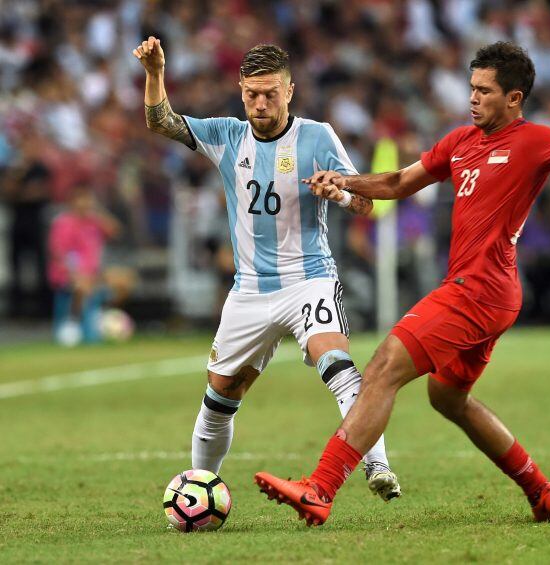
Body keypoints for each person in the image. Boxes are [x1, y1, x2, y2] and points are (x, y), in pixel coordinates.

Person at [254, 41, 550, 526]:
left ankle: (319, 488)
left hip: (479, 289)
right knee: (447, 398)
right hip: (485, 291)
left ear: (514, 98)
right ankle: (542, 491)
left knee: (382, 369)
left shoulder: (535, 142)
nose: (473, 98)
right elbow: (399, 182)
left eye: (484, 90)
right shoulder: (460, 141)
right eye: (471, 88)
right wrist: (347, 182)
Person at [132, 37, 401, 500]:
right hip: (249, 292)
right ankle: (199, 488)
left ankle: (378, 467)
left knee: (335, 363)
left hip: (308, 280)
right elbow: (162, 122)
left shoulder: (318, 137)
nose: (260, 103)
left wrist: (337, 189)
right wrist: (155, 73)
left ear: (290, 91)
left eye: (270, 93)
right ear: (240, 90)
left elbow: (363, 204)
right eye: (252, 93)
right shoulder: (226, 136)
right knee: (220, 398)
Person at [48, 186, 121, 345]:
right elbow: (60, 254)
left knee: (123, 281)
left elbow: (116, 230)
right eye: (82, 199)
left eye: (89, 200)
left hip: (93, 273)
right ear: (72, 202)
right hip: (67, 274)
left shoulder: (94, 221)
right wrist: (75, 274)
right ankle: (73, 327)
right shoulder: (63, 223)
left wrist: (98, 211)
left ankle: (103, 320)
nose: (86, 203)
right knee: (83, 286)